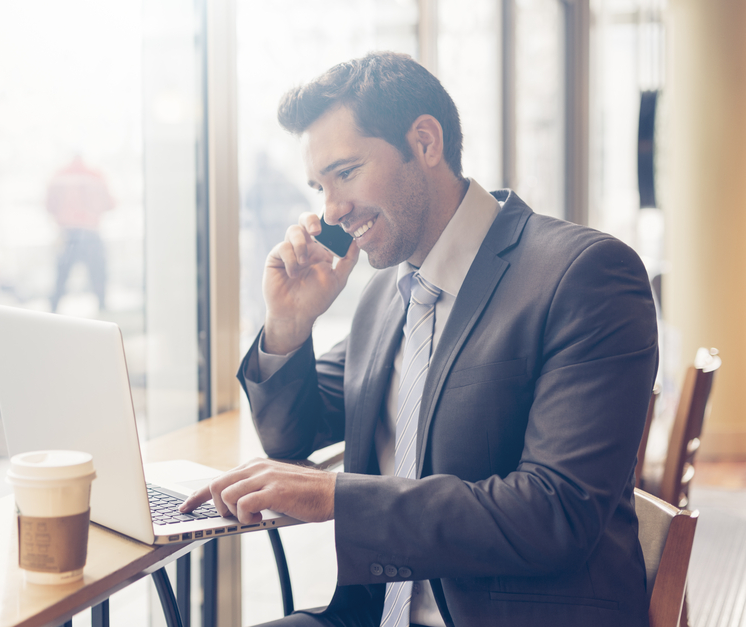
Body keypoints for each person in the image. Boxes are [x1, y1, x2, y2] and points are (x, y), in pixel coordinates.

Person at [181, 52, 658, 627]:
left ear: (426, 142)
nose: (331, 210)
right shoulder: (389, 297)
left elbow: (556, 513)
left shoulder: (584, 275)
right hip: (371, 614)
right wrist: (288, 324)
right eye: (320, 185)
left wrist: (337, 497)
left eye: (346, 173)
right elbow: (293, 437)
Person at [45, 156, 116, 312]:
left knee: (61, 276)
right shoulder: (95, 175)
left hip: (68, 231)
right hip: (89, 231)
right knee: (97, 274)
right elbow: (110, 203)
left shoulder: (60, 175)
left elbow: (49, 205)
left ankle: (53, 309)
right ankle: (102, 307)